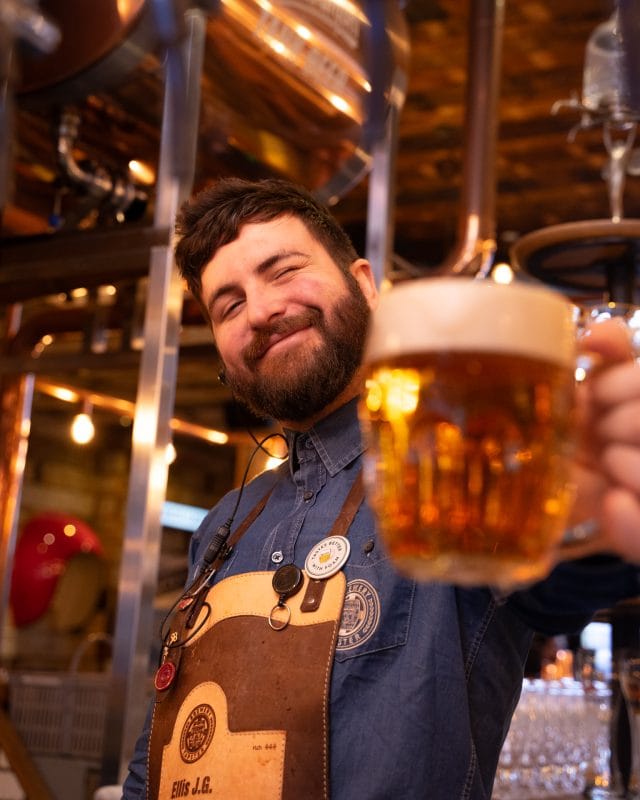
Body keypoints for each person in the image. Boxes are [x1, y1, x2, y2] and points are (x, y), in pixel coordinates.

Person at [123, 177, 640, 800]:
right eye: (229, 305)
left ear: (364, 284)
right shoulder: (224, 523)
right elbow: (160, 749)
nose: (260, 311)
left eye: (283, 270)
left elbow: (567, 585)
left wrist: (604, 512)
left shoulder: (451, 484)